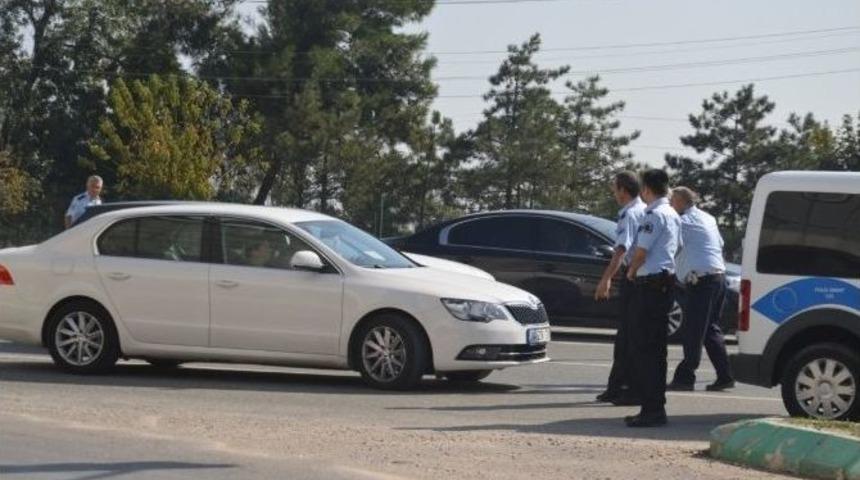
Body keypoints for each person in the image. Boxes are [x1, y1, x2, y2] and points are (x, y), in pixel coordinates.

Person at [624, 169, 682, 428]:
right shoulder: (672, 213)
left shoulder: (654, 215)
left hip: (649, 286)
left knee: (644, 349)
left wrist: (631, 271)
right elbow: (678, 247)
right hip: (664, 284)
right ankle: (654, 407)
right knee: (657, 350)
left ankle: (651, 410)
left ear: (646, 189)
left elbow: (641, 252)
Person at [667, 187, 735, 392]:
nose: (670, 205)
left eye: (672, 201)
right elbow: (719, 244)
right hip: (719, 277)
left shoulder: (682, 221)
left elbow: (670, 246)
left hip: (702, 281)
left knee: (693, 331)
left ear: (680, 201)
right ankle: (725, 375)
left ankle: (685, 378)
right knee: (710, 329)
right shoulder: (708, 218)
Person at [594, 171, 647, 405]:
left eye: (615, 189)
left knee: (627, 336)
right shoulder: (642, 209)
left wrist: (606, 279)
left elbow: (621, 250)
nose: (614, 194)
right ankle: (615, 386)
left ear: (623, 191)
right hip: (639, 275)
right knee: (625, 336)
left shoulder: (630, 214)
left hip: (633, 276)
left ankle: (624, 387)